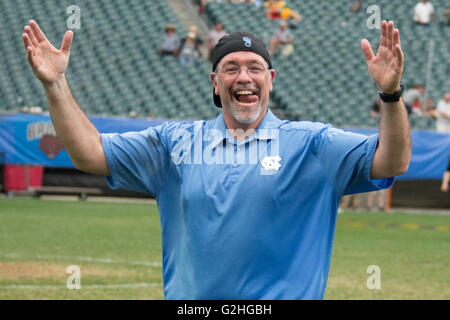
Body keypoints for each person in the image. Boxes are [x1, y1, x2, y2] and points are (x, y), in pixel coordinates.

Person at [22, 19, 410, 299]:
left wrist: (391, 96)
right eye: (231, 68)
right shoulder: (175, 143)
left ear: (270, 79)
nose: (244, 76)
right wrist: (55, 84)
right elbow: (90, 153)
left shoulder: (312, 144)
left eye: (255, 67)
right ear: (214, 81)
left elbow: (391, 162)